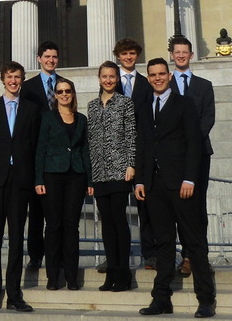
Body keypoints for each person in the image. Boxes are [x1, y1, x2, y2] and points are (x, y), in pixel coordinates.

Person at [134, 58, 217, 318]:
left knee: (193, 242)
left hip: (182, 184)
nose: (157, 78)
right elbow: (143, 145)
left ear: (169, 75)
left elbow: (194, 143)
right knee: (164, 244)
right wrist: (140, 180)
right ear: (148, 78)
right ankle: (161, 299)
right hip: (155, 185)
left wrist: (190, 178)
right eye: (152, 75)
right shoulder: (145, 106)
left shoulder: (185, 104)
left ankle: (205, 298)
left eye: (161, 74)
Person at [0, 62, 40, 313]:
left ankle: (14, 293)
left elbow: (33, 144)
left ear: (22, 80)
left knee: (16, 238)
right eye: (10, 77)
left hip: (21, 179)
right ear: (2, 79)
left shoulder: (32, 109)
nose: (14, 81)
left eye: (17, 77)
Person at [35, 76, 90, 291]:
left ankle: (72, 276)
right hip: (52, 175)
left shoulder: (82, 119)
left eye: (68, 91)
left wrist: (90, 179)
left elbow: (85, 150)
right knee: (54, 226)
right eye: (60, 91)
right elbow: (40, 149)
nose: (64, 94)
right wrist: (38, 178)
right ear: (55, 95)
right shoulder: (47, 118)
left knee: (71, 226)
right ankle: (53, 276)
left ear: (73, 93)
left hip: (76, 175)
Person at [87, 61, 137, 291]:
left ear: (117, 79)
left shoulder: (126, 103)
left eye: (112, 77)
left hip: (119, 170)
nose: (108, 80)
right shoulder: (92, 106)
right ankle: (111, 273)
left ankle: (123, 273)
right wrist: (90, 176)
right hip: (99, 172)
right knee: (106, 224)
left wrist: (131, 164)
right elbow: (91, 141)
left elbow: (131, 136)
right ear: (99, 79)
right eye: (104, 76)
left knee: (119, 221)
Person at [169, 36, 216, 278]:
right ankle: (185, 256)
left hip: (198, 154)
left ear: (191, 55)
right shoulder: (164, 85)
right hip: (174, 157)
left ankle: (199, 257)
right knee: (179, 208)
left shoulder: (204, 85)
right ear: (171, 55)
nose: (180, 55)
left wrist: (191, 142)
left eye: (184, 52)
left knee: (198, 207)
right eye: (177, 52)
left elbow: (208, 118)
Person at [112, 38, 155, 269]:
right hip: (117, 151)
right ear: (118, 56)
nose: (128, 57)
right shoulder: (111, 80)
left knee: (145, 205)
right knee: (115, 209)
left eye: (132, 53)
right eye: (124, 54)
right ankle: (116, 256)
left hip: (140, 149)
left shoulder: (146, 83)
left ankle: (150, 254)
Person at [19, 40, 61, 271]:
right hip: (35, 156)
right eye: (47, 57)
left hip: (58, 157)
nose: (50, 60)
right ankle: (35, 255)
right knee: (36, 212)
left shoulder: (65, 85)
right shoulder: (28, 87)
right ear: (39, 59)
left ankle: (57, 255)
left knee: (57, 212)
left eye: (54, 57)